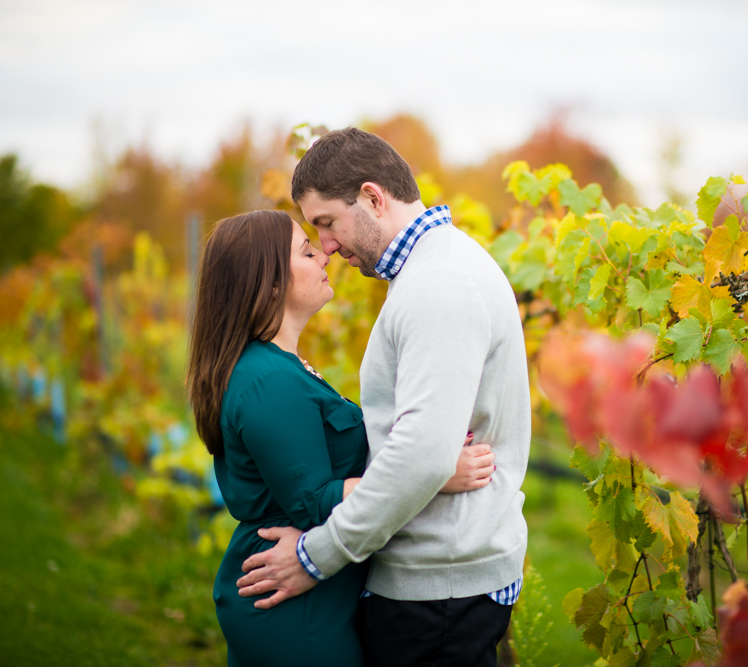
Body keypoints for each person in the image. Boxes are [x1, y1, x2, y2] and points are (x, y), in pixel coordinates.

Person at [235, 128, 531, 667]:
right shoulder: (431, 270)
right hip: (437, 580)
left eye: (326, 223)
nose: (324, 244)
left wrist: (315, 557)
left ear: (373, 198)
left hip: (436, 591)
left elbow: (420, 454)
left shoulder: (437, 284)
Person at [186, 209, 496, 667]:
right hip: (296, 615)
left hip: (312, 599)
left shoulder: (280, 367)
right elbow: (313, 500)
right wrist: (432, 472)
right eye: (307, 251)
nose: (325, 255)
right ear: (268, 283)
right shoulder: (268, 381)